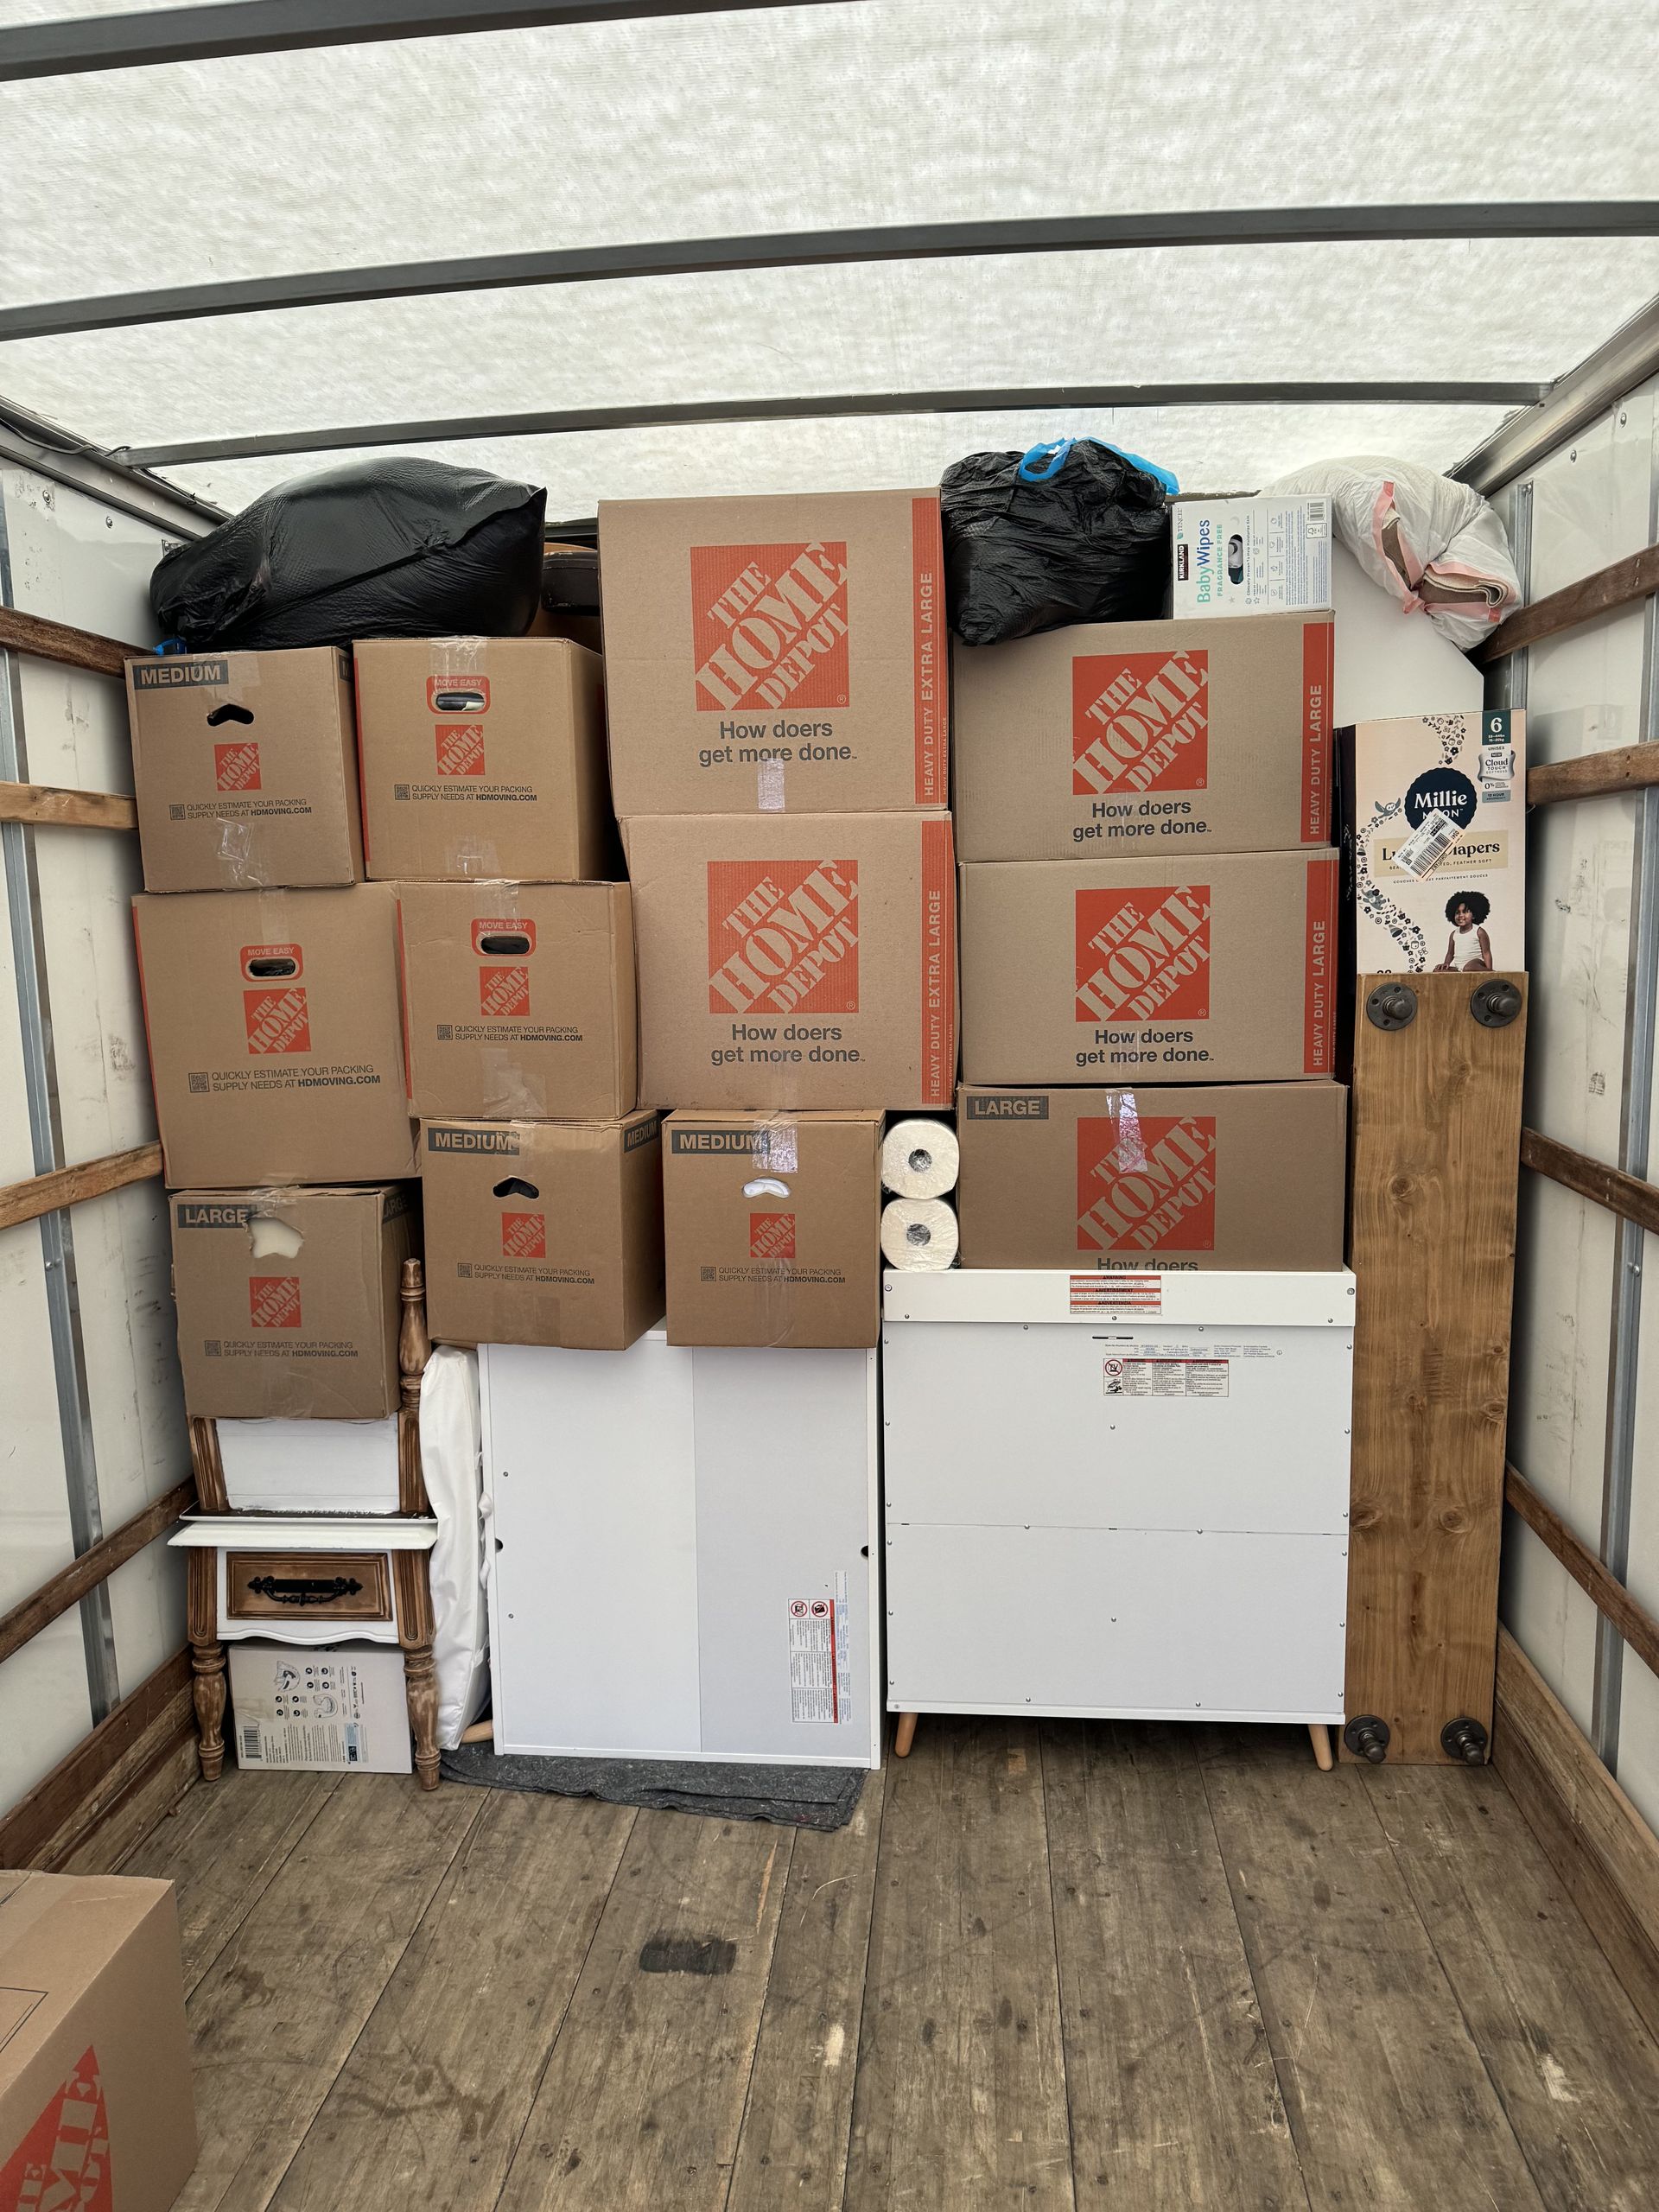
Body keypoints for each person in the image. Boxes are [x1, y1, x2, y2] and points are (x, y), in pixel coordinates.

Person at [1436, 890, 1493, 972]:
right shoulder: (1454, 934)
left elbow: (1486, 953)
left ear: (1474, 915)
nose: (1461, 915)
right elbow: (1450, 953)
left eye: (1465, 912)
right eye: (1457, 912)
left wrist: (1489, 971)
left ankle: (1490, 972)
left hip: (1475, 965)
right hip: (1460, 968)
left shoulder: (1479, 932)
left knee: (1469, 967)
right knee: (1437, 971)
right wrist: (1446, 963)